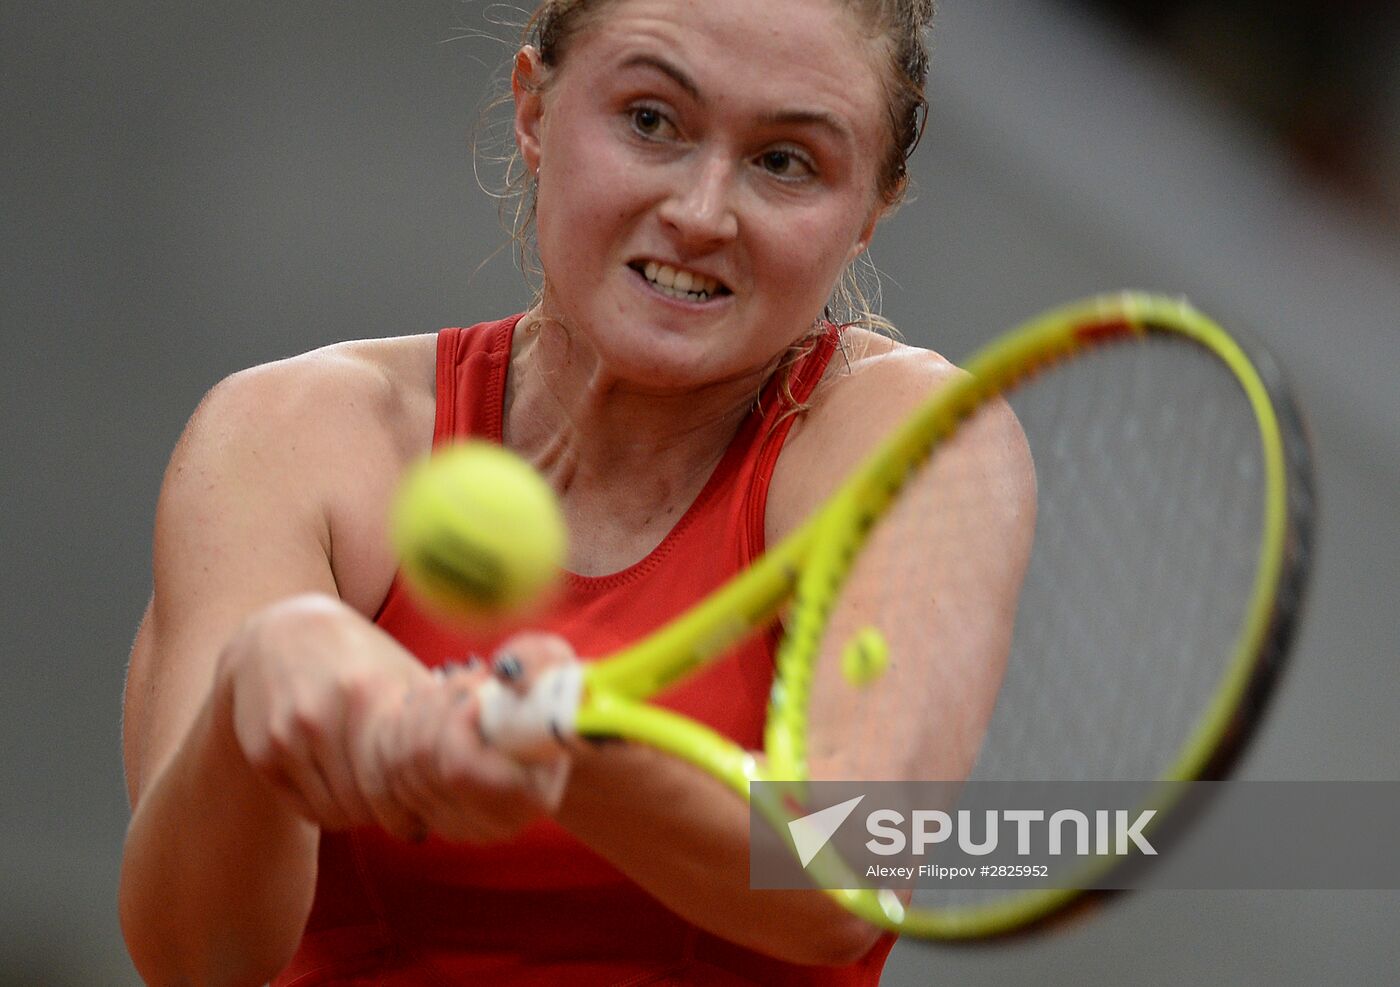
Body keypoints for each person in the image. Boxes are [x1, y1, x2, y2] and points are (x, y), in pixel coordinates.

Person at [118, 0, 1035, 983]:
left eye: (784, 162)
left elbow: (840, 879)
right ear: (533, 109)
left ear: (869, 211)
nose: (700, 211)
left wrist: (560, 749)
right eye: (649, 121)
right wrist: (253, 707)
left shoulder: (911, 443)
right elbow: (194, 960)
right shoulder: (287, 436)